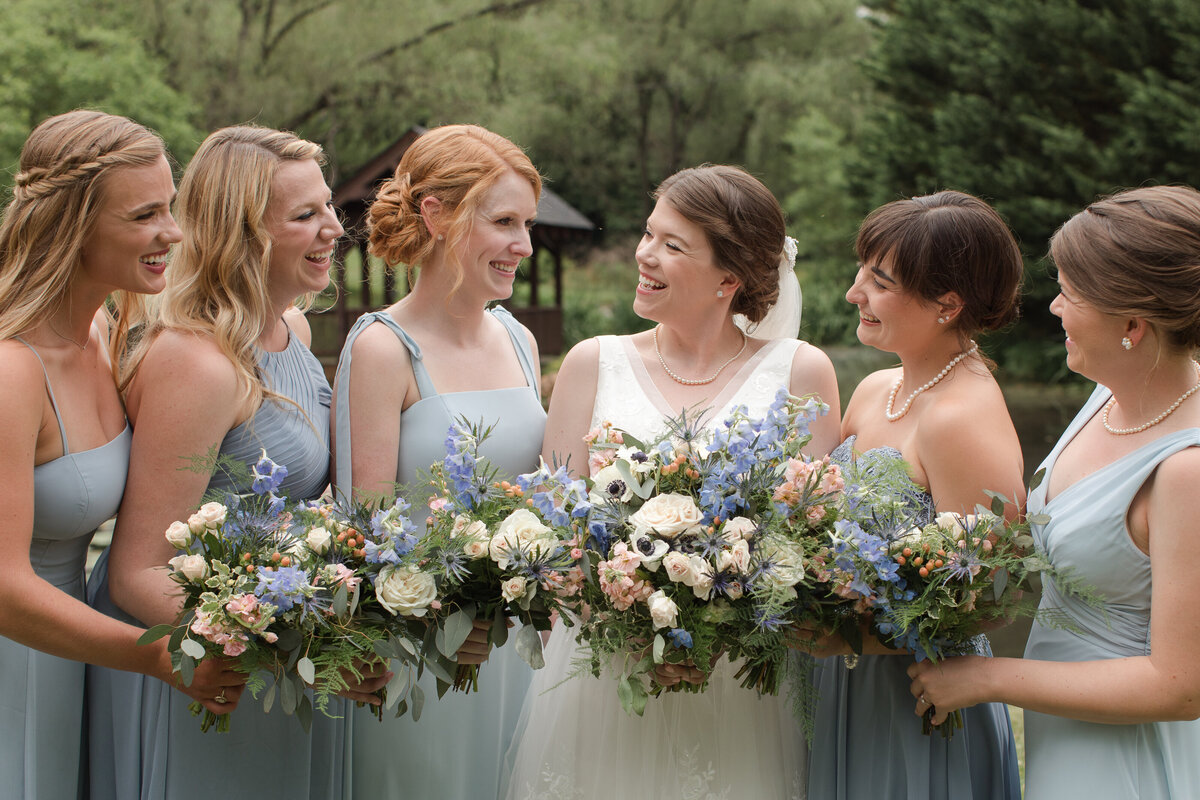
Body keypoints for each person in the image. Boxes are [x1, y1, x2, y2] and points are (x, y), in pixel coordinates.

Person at [502, 164, 841, 799]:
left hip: (739, 683)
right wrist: (626, 608)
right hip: (604, 681)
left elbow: (812, 542)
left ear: (729, 279)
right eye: (648, 233)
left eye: (672, 245)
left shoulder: (801, 373)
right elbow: (552, 533)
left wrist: (717, 621)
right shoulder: (591, 363)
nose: (644, 254)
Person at [87, 125, 385, 800]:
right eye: (305, 216)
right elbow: (137, 573)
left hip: (278, 654)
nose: (334, 229)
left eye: (329, 207)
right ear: (243, 232)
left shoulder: (294, 329)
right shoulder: (196, 363)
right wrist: (286, 645)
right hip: (203, 667)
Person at [909, 185, 1200, 798]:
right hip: (1063, 731)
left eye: (1070, 293)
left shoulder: (1186, 471)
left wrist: (989, 677)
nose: (1056, 309)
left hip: (1125, 758)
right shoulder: (1108, 395)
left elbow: (1180, 686)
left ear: (1132, 325)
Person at [0, 110, 242, 800]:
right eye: (144, 216)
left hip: (69, 656)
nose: (172, 231)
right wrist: (156, 654)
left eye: (169, 208)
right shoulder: (13, 371)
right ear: (71, 228)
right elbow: (2, 586)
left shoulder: (105, 333)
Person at [331, 123, 546, 799]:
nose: (524, 246)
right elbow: (360, 534)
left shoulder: (519, 339)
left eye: (527, 224)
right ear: (438, 214)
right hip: (415, 654)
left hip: (512, 645)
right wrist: (436, 624)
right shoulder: (382, 349)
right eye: (505, 221)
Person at [804, 191, 1025, 800]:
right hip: (839, 679)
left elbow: (989, 601)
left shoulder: (960, 418)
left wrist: (837, 637)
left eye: (879, 281)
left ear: (948, 305)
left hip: (917, 697)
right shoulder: (877, 387)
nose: (854, 293)